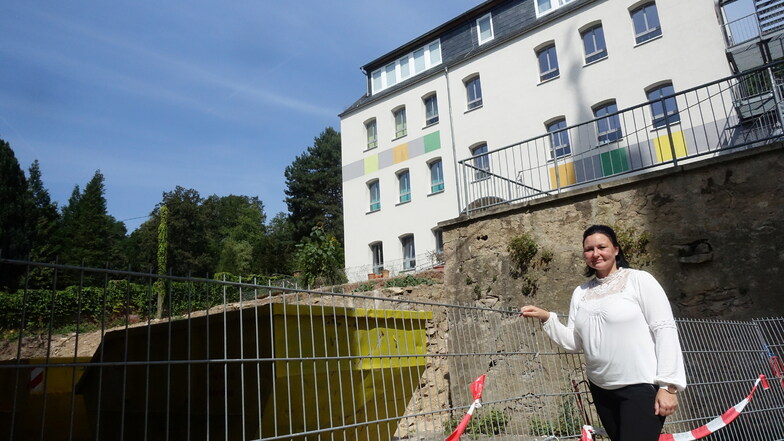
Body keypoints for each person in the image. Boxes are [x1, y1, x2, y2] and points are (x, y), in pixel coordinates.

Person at [521, 225, 686, 441]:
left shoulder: (639, 280)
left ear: (616, 249)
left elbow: (664, 330)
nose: (595, 254)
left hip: (640, 387)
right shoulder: (580, 293)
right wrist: (547, 318)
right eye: (589, 249)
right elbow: (574, 342)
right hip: (601, 389)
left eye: (602, 247)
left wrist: (668, 386)